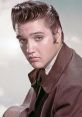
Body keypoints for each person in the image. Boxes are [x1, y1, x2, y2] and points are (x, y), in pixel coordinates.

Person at [3, 0, 82, 117]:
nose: (29, 49)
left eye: (38, 38)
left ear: (57, 35)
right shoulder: (48, 63)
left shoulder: (74, 87)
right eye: (22, 40)